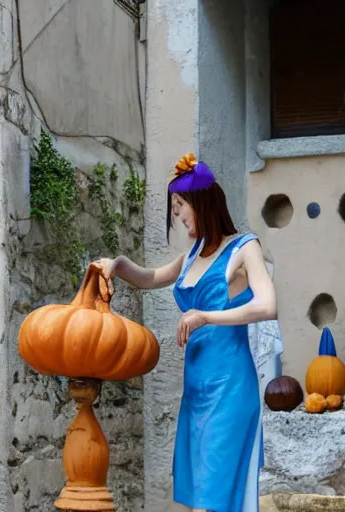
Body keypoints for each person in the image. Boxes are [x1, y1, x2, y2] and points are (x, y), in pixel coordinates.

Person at [96, 152, 278, 512]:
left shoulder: (244, 248)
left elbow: (267, 305)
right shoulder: (192, 256)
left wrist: (207, 316)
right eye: (175, 208)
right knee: (200, 500)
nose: (177, 215)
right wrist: (116, 265)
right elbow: (149, 278)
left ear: (202, 203)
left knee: (211, 502)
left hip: (230, 388)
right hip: (196, 391)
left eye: (181, 206)